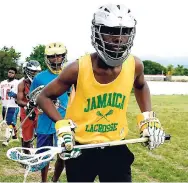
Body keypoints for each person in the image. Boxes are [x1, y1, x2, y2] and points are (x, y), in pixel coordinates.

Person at [37, 4, 166, 182]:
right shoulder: (77, 68)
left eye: (125, 31)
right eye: (110, 31)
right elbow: (43, 96)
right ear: (96, 32)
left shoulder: (134, 65)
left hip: (116, 146)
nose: (119, 38)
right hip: (81, 147)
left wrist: (148, 118)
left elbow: (141, 85)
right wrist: (62, 124)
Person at [29, 42, 69, 182]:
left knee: (63, 154)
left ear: (64, 56)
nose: (56, 58)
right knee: (44, 155)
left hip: (64, 120)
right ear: (47, 58)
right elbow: (33, 98)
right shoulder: (39, 77)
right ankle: (44, 180)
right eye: (52, 56)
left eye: (59, 55)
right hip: (45, 121)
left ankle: (55, 180)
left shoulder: (70, 73)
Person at [17, 60, 41, 151]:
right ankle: (25, 155)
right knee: (27, 137)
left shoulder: (40, 82)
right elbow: (19, 101)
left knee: (42, 135)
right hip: (27, 113)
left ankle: (40, 156)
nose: (35, 74)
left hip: (39, 112)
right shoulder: (22, 84)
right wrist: (28, 104)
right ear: (27, 71)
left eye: (37, 72)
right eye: (33, 71)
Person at [0, 67, 20, 146]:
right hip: (5, 105)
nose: (10, 74)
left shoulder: (17, 83)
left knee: (9, 122)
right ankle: (15, 136)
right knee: (8, 122)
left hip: (13, 105)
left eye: (12, 73)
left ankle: (6, 140)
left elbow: (22, 95)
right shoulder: (2, 83)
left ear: (15, 74)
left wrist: (15, 95)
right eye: (9, 72)